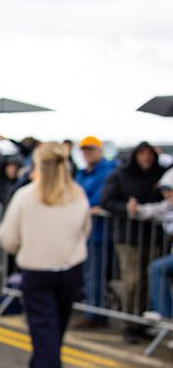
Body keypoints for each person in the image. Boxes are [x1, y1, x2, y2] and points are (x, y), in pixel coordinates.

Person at [0, 142, 91, 368]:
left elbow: (8, 238)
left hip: (37, 271)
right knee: (54, 333)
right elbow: (84, 231)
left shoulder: (26, 197)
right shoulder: (78, 195)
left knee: (46, 335)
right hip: (70, 270)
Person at [100, 141, 167, 343]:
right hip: (128, 238)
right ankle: (129, 323)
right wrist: (127, 209)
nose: (146, 158)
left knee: (148, 281)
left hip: (154, 238)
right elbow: (107, 201)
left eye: (149, 154)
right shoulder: (120, 175)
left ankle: (142, 321)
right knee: (132, 281)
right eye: (142, 154)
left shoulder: (161, 175)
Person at [72, 136, 117, 328]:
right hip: (82, 231)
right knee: (86, 272)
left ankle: (95, 312)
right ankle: (91, 309)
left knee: (95, 273)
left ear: (99, 150)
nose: (87, 153)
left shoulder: (107, 171)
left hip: (98, 232)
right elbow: (73, 195)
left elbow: (99, 198)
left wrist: (82, 206)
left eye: (91, 149)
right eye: (84, 150)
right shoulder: (82, 173)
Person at [137, 169, 173, 321]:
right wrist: (136, 209)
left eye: (169, 190)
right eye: (164, 191)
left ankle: (165, 314)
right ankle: (165, 315)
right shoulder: (168, 206)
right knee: (158, 268)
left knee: (158, 268)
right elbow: (155, 210)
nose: (166, 195)